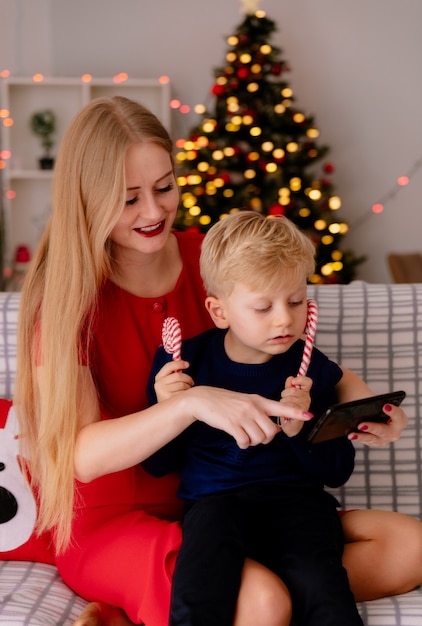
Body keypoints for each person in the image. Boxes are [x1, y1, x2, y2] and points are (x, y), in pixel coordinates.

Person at [12, 95, 422, 626]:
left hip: (233, 501)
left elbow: (314, 363)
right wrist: (190, 405)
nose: (155, 212)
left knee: (409, 547)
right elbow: (80, 457)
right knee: (262, 602)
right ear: (86, 200)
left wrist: (365, 409)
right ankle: (178, 593)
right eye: (129, 199)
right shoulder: (63, 299)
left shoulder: (212, 261)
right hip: (116, 520)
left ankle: (151, 607)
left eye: (164, 188)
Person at [143, 211, 365, 625]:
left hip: (297, 505)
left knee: (322, 584)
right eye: (263, 307)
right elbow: (158, 466)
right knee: (199, 586)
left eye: (296, 301)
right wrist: (167, 409)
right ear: (219, 311)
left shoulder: (310, 367)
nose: (284, 318)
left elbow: (337, 471)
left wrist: (301, 429)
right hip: (214, 506)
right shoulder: (183, 365)